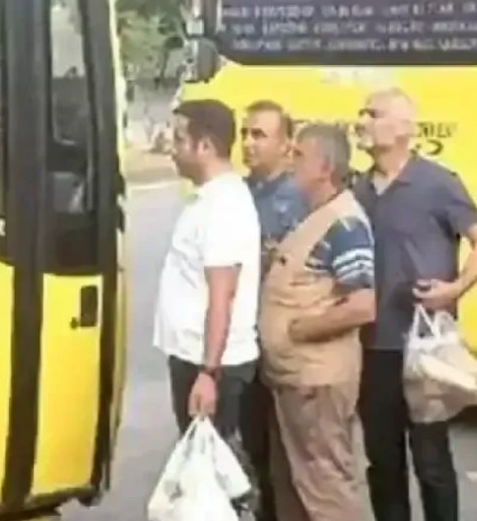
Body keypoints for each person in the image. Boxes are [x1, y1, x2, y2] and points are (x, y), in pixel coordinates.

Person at [351, 87, 477, 521]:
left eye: (373, 114)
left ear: (404, 128)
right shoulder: (356, 188)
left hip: (424, 349)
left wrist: (454, 290)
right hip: (372, 347)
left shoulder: (437, 182)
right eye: (362, 113)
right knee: (383, 461)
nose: (361, 121)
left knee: (431, 460)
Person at [260, 123, 376, 521]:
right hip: (295, 381)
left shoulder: (344, 224)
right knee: (295, 485)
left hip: (317, 384)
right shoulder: (314, 217)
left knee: (327, 489)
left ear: (324, 167)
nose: (291, 163)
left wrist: (298, 331)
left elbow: (362, 305)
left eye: (299, 156)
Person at [154, 99, 261, 442]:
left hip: (212, 364)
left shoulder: (224, 206)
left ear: (205, 146)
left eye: (180, 139)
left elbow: (223, 293)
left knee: (209, 475)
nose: (172, 148)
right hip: (195, 357)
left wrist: (208, 373)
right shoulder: (208, 198)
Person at [241, 99, 309, 521]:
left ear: (287, 146)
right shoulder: (238, 192)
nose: (248, 143)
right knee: (253, 448)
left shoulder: (297, 200)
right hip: (244, 339)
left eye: (259, 134)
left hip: (282, 341)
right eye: (245, 133)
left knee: (287, 456)